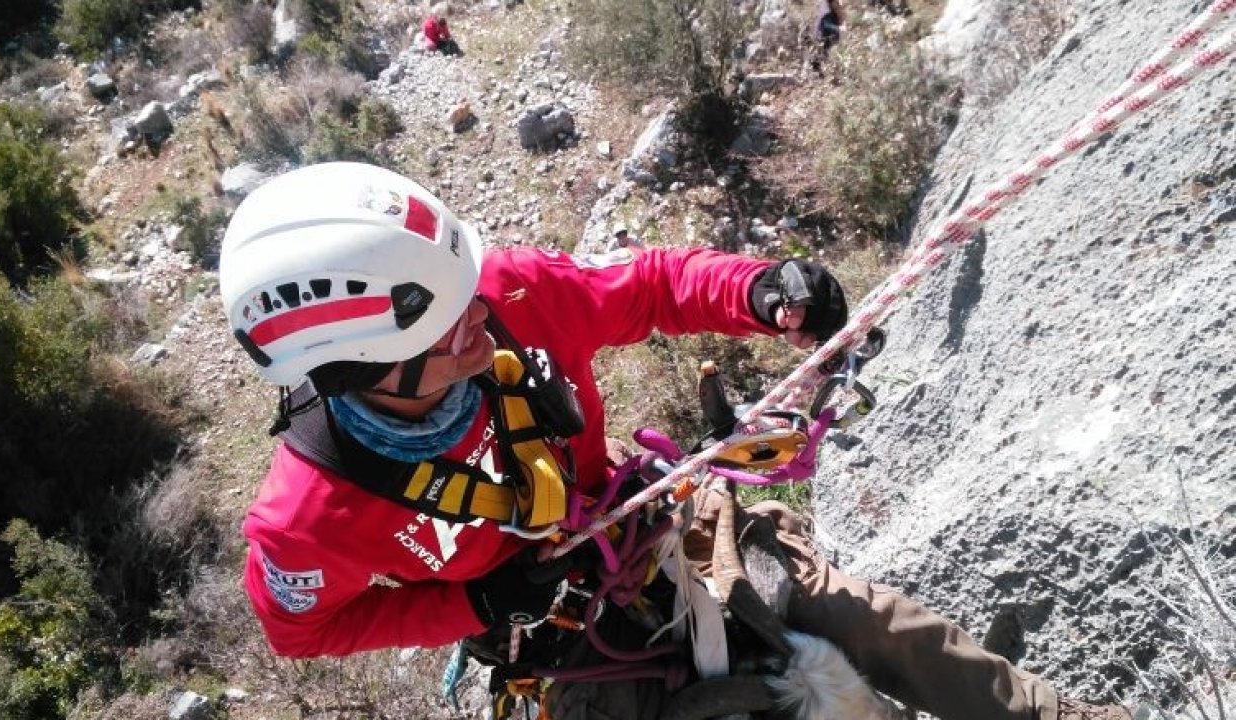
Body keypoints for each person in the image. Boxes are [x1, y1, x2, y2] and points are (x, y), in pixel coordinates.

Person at [219, 162, 1130, 720]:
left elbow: (649, 287)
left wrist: (762, 291)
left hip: (650, 537)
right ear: (355, 372)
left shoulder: (506, 295)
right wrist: (479, 606)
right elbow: (304, 634)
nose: (480, 328)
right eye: (448, 331)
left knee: (871, 622)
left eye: (469, 305)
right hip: (560, 649)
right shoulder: (306, 520)